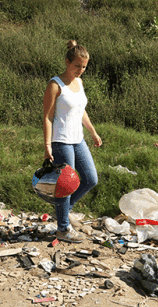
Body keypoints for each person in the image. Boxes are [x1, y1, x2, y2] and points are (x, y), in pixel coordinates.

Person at [43, 40, 102, 243]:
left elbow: (80, 110)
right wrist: (47, 145)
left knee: (90, 179)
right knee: (66, 186)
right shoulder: (55, 85)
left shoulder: (79, 83)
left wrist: (93, 132)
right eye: (77, 66)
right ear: (67, 62)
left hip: (78, 139)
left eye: (84, 67)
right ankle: (62, 228)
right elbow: (48, 117)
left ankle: (63, 211)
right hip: (61, 141)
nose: (80, 70)